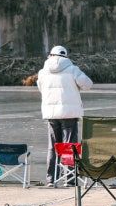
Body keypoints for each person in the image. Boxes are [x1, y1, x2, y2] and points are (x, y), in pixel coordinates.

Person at [36, 45, 93, 186]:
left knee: (53, 146)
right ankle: (70, 179)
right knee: (69, 146)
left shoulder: (43, 72)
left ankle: (51, 179)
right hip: (69, 114)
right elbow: (88, 84)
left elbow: (40, 88)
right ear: (65, 56)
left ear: (51, 55)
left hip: (51, 114)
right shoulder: (73, 69)